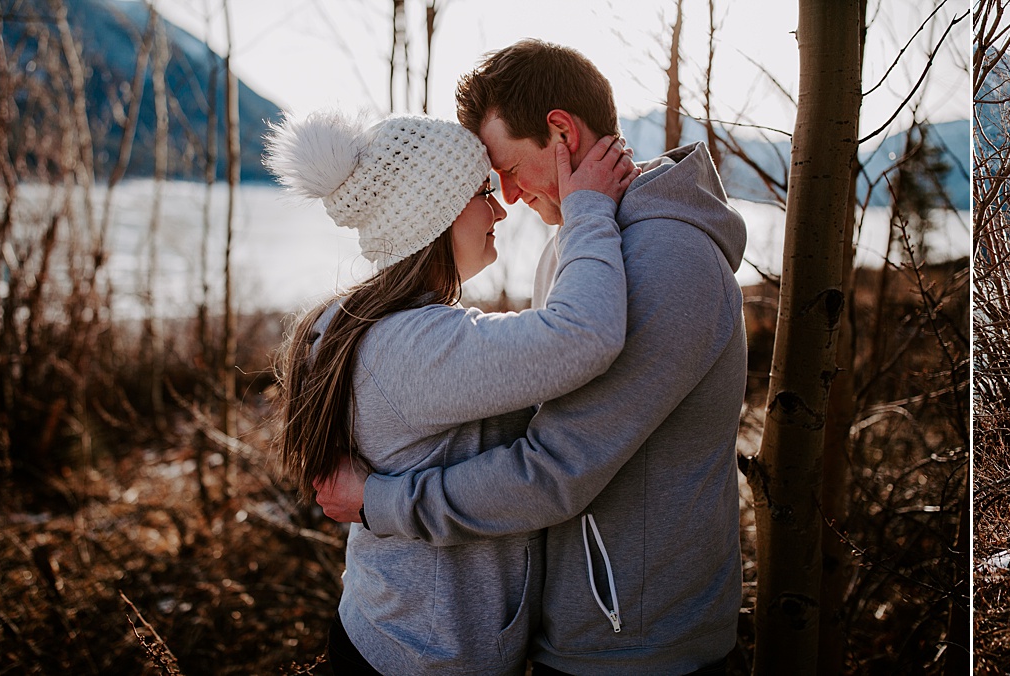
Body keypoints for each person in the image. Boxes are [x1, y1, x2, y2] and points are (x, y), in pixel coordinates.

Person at [312, 39, 751, 675]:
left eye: (510, 170)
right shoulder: (584, 241)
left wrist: (382, 501)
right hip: (579, 630)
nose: (509, 199)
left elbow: (555, 469)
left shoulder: (665, 261)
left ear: (561, 133)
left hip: (638, 647)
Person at [265, 110, 638, 674]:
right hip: (428, 657)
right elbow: (584, 335)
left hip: (391, 635)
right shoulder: (416, 345)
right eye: (482, 192)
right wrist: (587, 210)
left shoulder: (365, 324)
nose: (499, 208)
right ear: (431, 216)